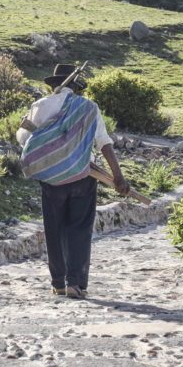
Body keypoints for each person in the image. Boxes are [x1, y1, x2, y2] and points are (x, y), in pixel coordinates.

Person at [17, 64, 129, 299]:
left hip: (51, 178)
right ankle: (75, 283)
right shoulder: (88, 108)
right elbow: (103, 142)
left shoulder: (40, 106)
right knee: (78, 228)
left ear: (52, 86)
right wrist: (118, 176)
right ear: (76, 88)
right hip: (83, 175)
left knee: (54, 228)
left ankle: (58, 283)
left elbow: (24, 138)